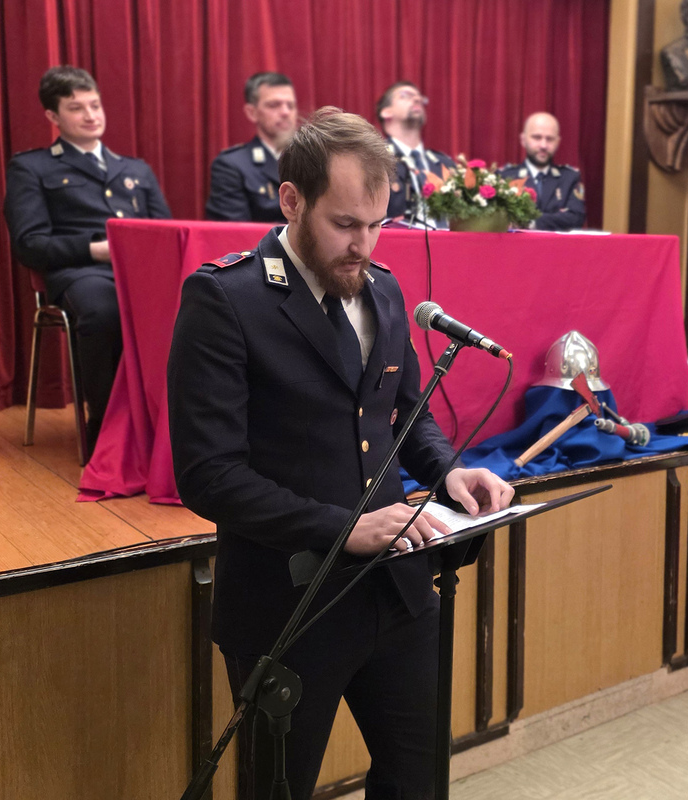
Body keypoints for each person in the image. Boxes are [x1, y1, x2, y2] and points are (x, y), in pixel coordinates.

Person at [167, 107, 513, 800]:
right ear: (291, 200)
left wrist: (450, 472)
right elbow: (208, 475)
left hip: (397, 588)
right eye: (346, 223)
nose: (364, 244)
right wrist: (343, 527)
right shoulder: (226, 298)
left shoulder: (383, 288)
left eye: (378, 224)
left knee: (418, 781)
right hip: (288, 602)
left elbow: (407, 414)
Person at [4, 65, 171, 455]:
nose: (91, 115)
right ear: (53, 116)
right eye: (76, 108)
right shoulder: (31, 167)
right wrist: (95, 249)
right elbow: (29, 244)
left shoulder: (135, 169)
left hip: (139, 272)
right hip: (80, 273)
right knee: (104, 310)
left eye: (95, 105)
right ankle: (106, 424)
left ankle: (169, 422)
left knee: (197, 304)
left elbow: (164, 229)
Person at [205, 72, 298, 222]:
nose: (285, 112)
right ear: (252, 113)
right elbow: (233, 231)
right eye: (274, 105)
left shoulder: (311, 160)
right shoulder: (232, 165)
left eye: (290, 105)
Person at [375, 81, 455, 222]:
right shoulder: (376, 159)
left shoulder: (445, 164)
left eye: (419, 97)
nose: (417, 99)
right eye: (405, 95)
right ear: (386, 112)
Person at [498, 112, 586, 231]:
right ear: (523, 140)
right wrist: (555, 219)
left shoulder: (569, 178)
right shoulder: (505, 176)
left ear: (558, 142)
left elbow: (576, 218)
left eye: (550, 139)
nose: (543, 145)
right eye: (537, 137)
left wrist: (532, 222)